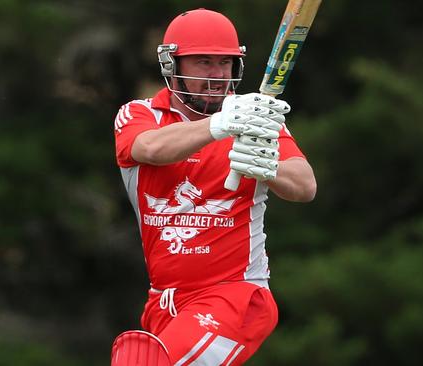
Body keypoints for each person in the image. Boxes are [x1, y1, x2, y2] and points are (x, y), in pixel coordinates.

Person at [112, 8, 316, 366]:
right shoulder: (141, 114)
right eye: (203, 62)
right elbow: (149, 148)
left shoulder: (256, 122)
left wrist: (268, 167)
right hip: (164, 302)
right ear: (171, 64)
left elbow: (305, 184)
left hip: (234, 297)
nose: (217, 74)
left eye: (225, 63)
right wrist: (220, 125)